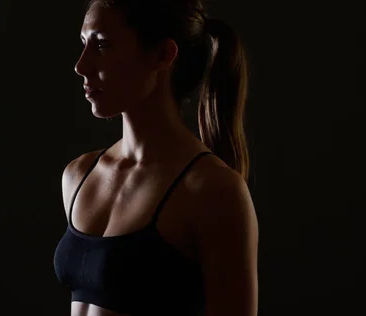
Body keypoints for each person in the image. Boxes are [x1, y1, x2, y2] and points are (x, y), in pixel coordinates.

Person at [53, 0, 259, 315]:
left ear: (163, 54)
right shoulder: (79, 175)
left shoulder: (212, 191)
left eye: (102, 45)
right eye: (83, 44)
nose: (81, 66)